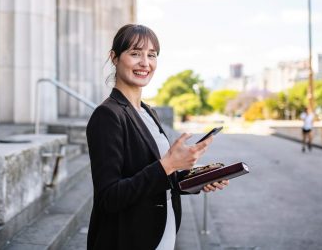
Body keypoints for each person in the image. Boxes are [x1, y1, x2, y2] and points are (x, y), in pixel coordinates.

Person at [86, 24, 228, 250]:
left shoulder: (147, 112)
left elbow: (155, 178)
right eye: (135, 53)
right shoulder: (107, 115)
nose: (145, 63)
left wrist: (196, 179)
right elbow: (109, 197)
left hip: (162, 232)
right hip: (128, 239)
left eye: (151, 55)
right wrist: (168, 164)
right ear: (114, 57)